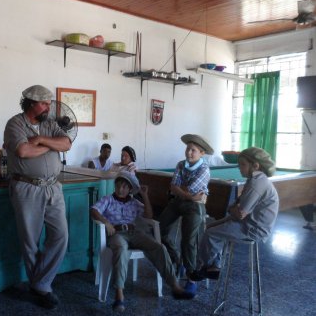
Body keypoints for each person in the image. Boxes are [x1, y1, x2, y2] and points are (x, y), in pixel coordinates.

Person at [3, 85, 72, 310]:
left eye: (49, 103)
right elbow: (23, 151)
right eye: (44, 103)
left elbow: (66, 144)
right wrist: (51, 147)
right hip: (27, 187)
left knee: (61, 236)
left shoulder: (49, 124)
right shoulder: (15, 124)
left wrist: (41, 140)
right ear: (31, 103)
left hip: (53, 187)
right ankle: (42, 288)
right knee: (30, 241)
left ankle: (39, 282)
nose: (48, 107)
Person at [91, 171, 196, 312]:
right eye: (118, 186)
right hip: (117, 234)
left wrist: (145, 195)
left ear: (130, 189)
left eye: (124, 187)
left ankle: (174, 286)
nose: (120, 189)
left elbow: (149, 215)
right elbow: (94, 210)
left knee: (159, 247)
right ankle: (119, 295)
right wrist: (106, 222)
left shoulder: (134, 202)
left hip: (135, 233)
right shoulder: (108, 199)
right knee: (121, 249)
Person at [190, 147, 279, 281]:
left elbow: (240, 213)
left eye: (243, 164)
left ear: (255, 166)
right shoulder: (256, 179)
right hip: (249, 223)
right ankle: (214, 267)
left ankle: (202, 266)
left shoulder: (256, 183)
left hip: (253, 229)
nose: (239, 168)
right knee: (211, 228)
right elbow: (237, 210)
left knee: (211, 233)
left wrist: (232, 210)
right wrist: (229, 213)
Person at [158, 134, 213, 292]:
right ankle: (177, 258)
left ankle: (191, 277)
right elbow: (174, 186)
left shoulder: (204, 169)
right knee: (159, 229)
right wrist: (188, 195)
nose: (189, 153)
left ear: (202, 153)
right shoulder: (181, 164)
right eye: (188, 149)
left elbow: (182, 187)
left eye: (193, 150)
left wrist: (182, 191)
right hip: (181, 202)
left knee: (189, 240)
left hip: (195, 206)